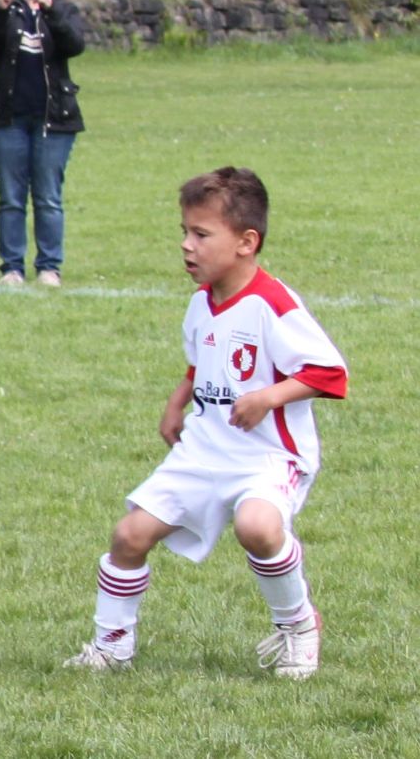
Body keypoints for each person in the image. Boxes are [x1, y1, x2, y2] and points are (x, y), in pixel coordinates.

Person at [64, 166, 348, 680]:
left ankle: (299, 626)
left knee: (258, 528)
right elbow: (200, 365)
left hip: (267, 456)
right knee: (129, 536)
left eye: (201, 234)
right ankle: (111, 646)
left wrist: (268, 396)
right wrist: (177, 402)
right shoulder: (201, 303)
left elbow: (330, 372)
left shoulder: (272, 304)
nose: (186, 246)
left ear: (246, 242)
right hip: (203, 451)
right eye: (184, 232)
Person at [0, 0, 85, 287]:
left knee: (48, 196)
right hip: (6, 115)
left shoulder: (64, 8)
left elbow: (74, 45)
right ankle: (12, 268)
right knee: (11, 197)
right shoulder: (8, 9)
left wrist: (49, 10)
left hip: (54, 117)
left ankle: (49, 267)